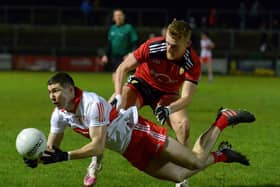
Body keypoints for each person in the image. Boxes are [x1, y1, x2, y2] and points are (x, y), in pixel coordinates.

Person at [23, 72, 255, 186]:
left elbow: (98, 145)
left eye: (56, 91)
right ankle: (222, 155)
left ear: (71, 90)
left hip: (142, 134)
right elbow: (53, 149)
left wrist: (65, 156)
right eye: (49, 93)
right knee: (180, 175)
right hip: (129, 151)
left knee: (194, 162)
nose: (52, 96)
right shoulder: (59, 115)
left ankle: (222, 120)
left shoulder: (93, 104)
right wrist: (37, 158)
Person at [110, 19, 201, 186]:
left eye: (174, 46)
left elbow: (186, 98)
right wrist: (118, 95)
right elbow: (123, 68)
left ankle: (182, 176)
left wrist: (168, 109)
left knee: (183, 126)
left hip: (167, 93)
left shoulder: (192, 62)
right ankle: (95, 162)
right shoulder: (153, 46)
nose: (168, 49)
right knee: (113, 116)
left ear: (187, 43)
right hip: (141, 84)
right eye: (167, 43)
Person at [101, 9, 138, 87]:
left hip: (125, 56)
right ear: (113, 18)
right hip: (115, 57)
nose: (118, 17)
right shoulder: (112, 28)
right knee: (115, 76)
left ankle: (121, 93)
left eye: (120, 15)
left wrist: (130, 54)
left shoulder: (129, 28)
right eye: (116, 15)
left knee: (124, 75)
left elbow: (135, 42)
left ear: (124, 17)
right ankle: (118, 93)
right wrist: (105, 55)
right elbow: (109, 44)